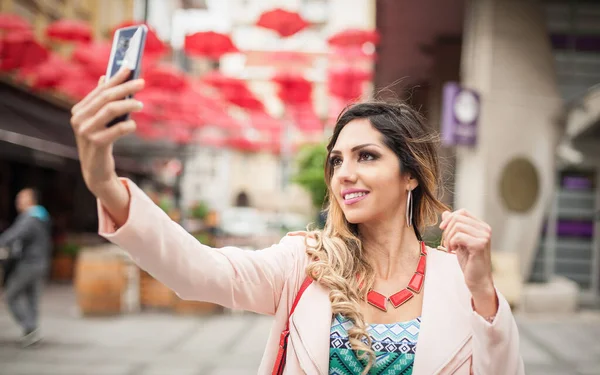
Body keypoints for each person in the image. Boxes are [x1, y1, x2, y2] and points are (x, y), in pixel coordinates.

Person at [70, 68, 524, 374]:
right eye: (337, 160)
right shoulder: (304, 263)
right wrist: (106, 184)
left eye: (366, 156)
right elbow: (196, 271)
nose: (345, 172)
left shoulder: (459, 280)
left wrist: (483, 292)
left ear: (410, 175)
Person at [0, 188, 51, 347]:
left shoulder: (30, 218)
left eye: (21, 198)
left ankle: (29, 328)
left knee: (11, 295)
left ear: (31, 200)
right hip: (41, 263)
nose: (18, 202)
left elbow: (14, 235)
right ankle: (32, 331)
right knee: (32, 299)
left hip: (28, 263)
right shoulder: (42, 217)